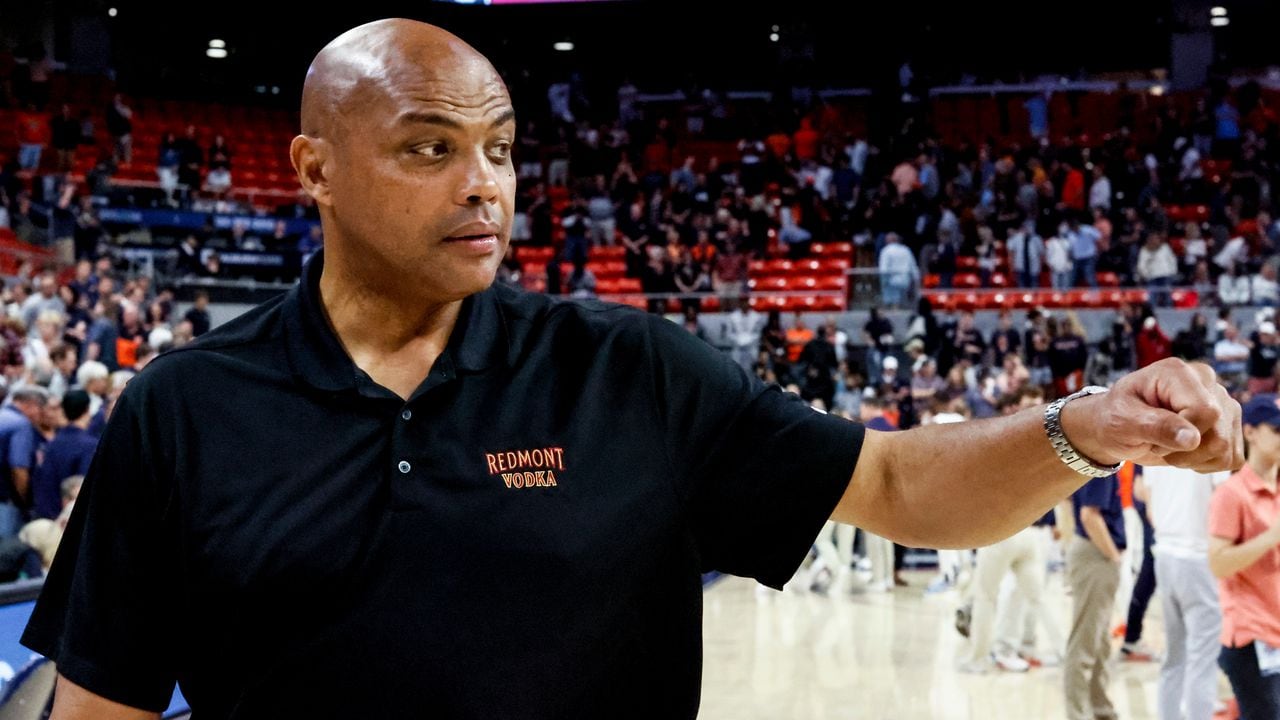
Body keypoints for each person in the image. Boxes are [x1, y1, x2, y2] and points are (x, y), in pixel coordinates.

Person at [26, 19, 1244, 720]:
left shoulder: (627, 368)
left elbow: (894, 484)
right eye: (429, 147)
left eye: (499, 149)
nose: (483, 184)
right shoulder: (185, 409)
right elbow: (102, 707)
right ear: (310, 169)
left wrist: (1083, 425)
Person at [1208, 394, 1280, 719]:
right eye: (1276, 430)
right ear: (1250, 432)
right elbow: (1218, 563)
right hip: (1252, 636)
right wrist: (1270, 537)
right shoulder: (1231, 493)